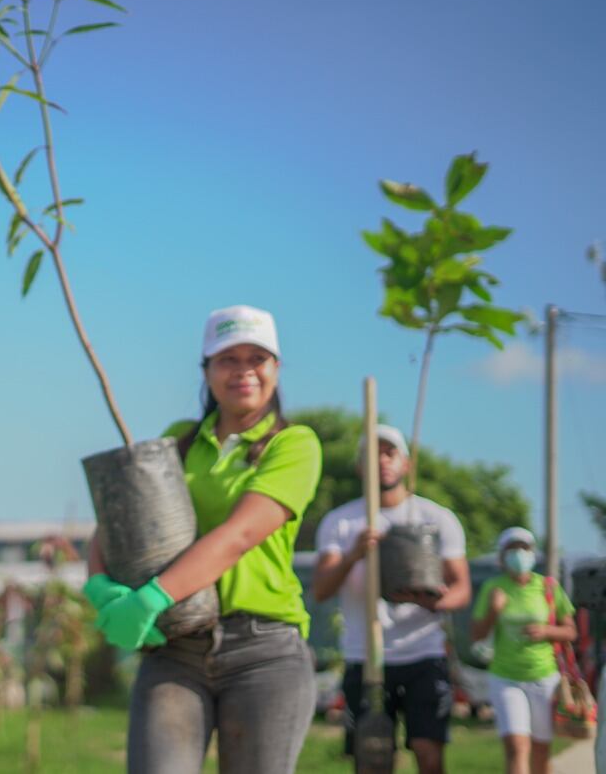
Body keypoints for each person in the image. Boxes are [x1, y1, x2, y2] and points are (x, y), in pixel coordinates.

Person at [84, 305, 322, 774]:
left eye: (257, 358)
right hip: (175, 649)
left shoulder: (294, 444)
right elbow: (121, 517)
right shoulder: (180, 441)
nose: (243, 371)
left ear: (276, 368)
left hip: (264, 651)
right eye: (227, 359)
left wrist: (152, 595)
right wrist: (99, 585)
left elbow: (241, 534)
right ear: (207, 369)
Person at [312, 424, 471, 774]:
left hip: (423, 652)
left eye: (390, 452)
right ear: (359, 467)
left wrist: (432, 601)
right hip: (365, 656)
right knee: (371, 758)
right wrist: (353, 555)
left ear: (406, 463)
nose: (382, 461)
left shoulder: (435, 519)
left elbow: (461, 589)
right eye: (372, 454)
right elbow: (321, 589)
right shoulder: (340, 523)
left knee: (429, 752)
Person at [470, 527, 577, 774]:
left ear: (532, 553)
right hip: (506, 676)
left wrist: (547, 631)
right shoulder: (493, 587)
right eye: (512, 549)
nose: (518, 554)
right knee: (517, 747)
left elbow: (570, 631)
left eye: (524, 549)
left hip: (544, 677)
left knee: (541, 751)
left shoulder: (548, 587)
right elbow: (476, 635)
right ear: (502, 556)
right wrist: (494, 611)